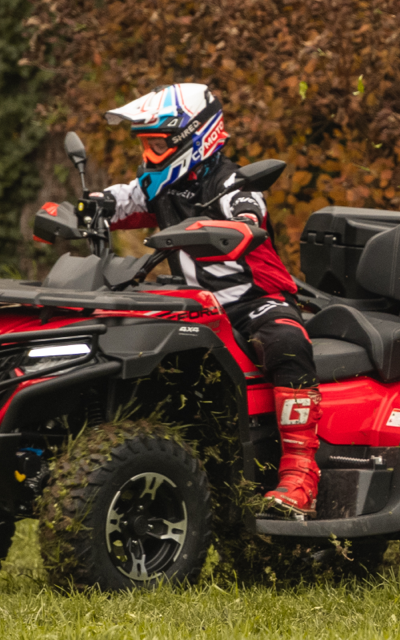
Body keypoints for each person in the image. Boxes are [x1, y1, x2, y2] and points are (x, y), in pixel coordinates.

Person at [93, 83, 321, 517]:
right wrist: (83, 209)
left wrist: (243, 221)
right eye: (146, 144)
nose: (149, 154)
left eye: (158, 144)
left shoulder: (231, 182)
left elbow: (248, 206)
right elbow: (121, 200)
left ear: (193, 138)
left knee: (287, 342)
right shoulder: (161, 185)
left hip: (253, 300)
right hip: (196, 306)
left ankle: (300, 474)